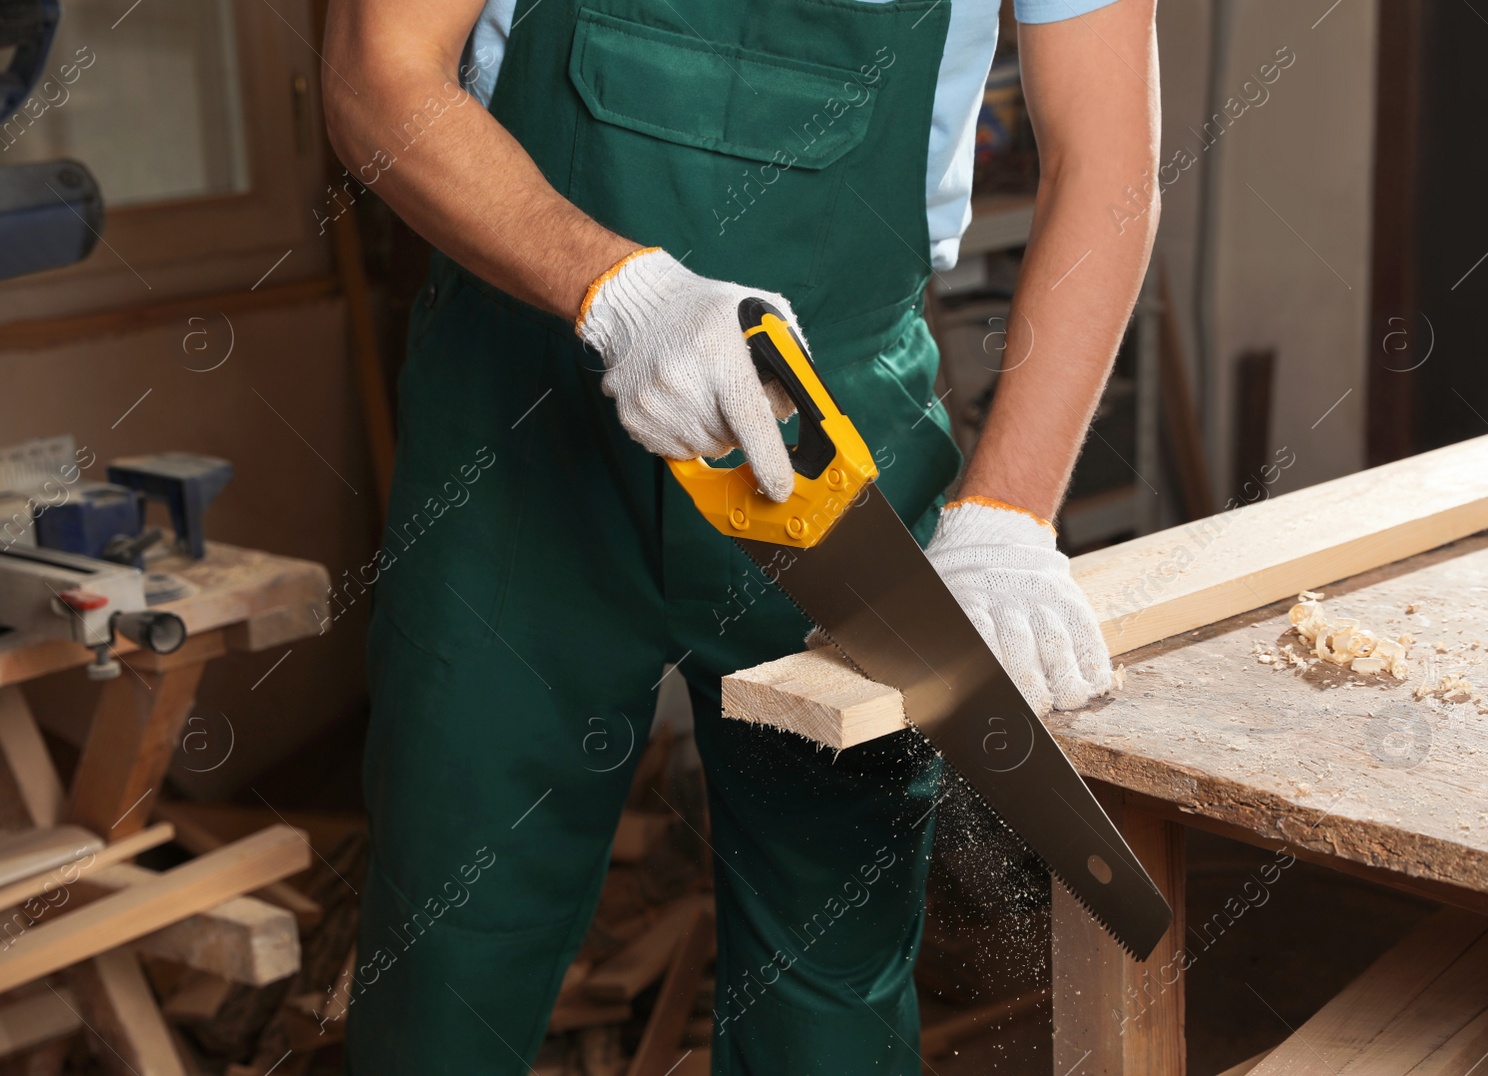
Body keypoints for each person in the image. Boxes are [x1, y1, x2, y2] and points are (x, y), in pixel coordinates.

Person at [322, 0, 1158, 1069]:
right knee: (449, 951)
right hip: (518, 417)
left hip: (828, 426)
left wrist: (1006, 515)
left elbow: (1105, 165)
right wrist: (612, 287)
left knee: (828, 977)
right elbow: (372, 72)